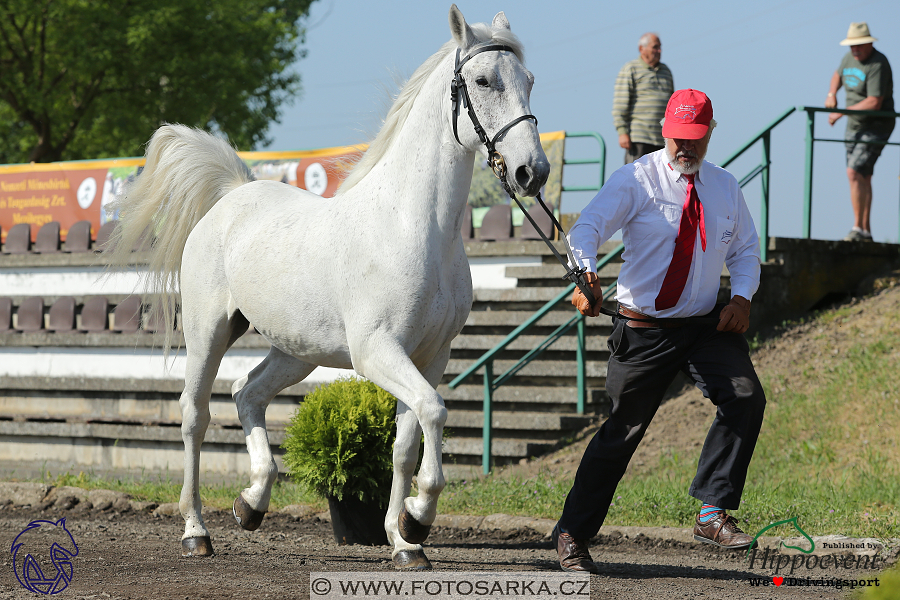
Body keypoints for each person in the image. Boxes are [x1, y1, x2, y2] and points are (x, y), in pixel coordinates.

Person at [552, 89, 767, 574]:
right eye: (677, 138)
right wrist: (586, 275)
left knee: (745, 397)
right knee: (621, 432)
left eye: (694, 138)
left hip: (706, 325)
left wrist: (741, 297)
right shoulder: (636, 179)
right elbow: (587, 228)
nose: (684, 147)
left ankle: (712, 512)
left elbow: (745, 250)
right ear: (664, 132)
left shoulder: (725, 186)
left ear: (710, 134)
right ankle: (572, 533)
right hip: (645, 329)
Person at [825, 22, 894, 242]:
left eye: (859, 45)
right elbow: (838, 74)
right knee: (863, 175)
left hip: (876, 126)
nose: (854, 49)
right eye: (851, 45)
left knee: (854, 172)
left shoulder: (878, 63)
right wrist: (831, 94)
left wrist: (840, 112)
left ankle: (857, 228)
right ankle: (865, 231)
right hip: (854, 125)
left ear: (869, 43)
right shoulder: (849, 58)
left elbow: (874, 102)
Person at [612, 33, 675, 164]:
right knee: (637, 174)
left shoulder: (666, 71)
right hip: (639, 137)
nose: (659, 51)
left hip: (662, 139)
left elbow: (672, 104)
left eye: (660, 47)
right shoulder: (630, 69)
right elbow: (620, 104)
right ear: (642, 49)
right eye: (655, 47)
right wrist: (622, 132)